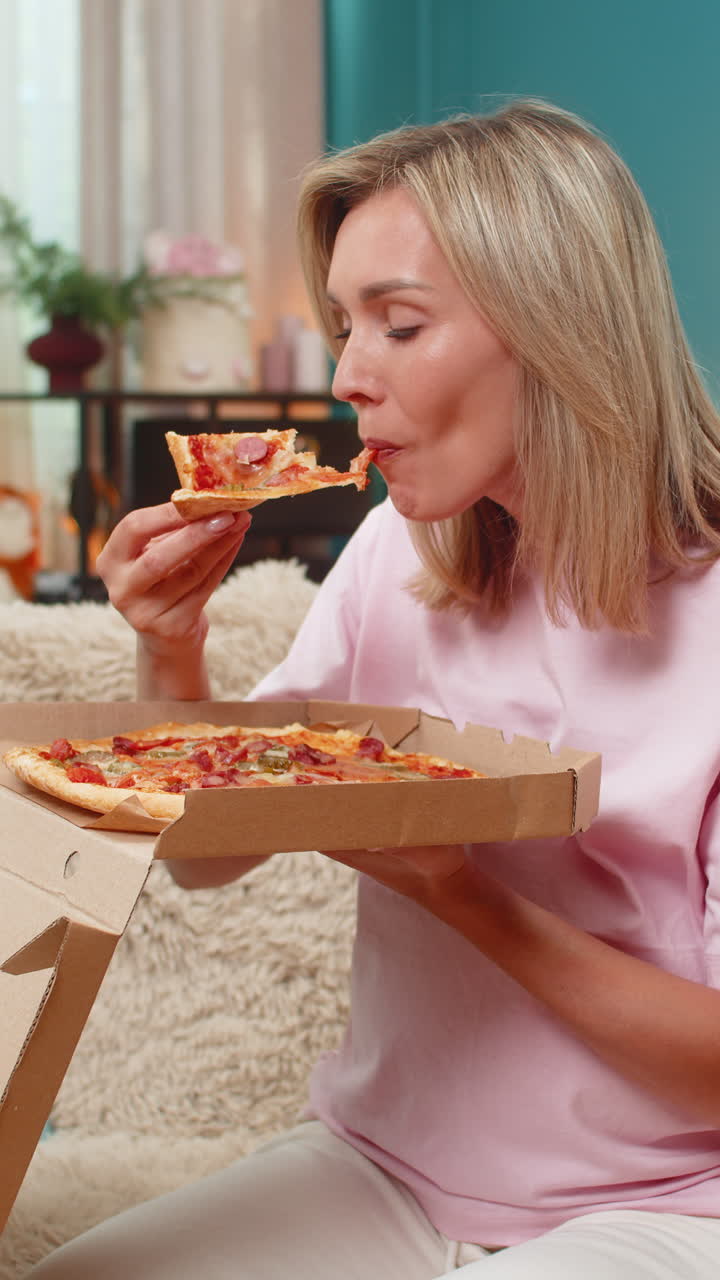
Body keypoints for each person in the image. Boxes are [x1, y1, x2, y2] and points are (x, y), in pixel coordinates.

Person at [30, 99, 720, 1279]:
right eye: (344, 325)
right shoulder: (400, 553)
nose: (347, 376)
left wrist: (460, 892)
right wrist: (175, 648)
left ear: (559, 330)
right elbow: (207, 853)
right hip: (384, 1163)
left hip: (673, 1201)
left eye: (398, 324)